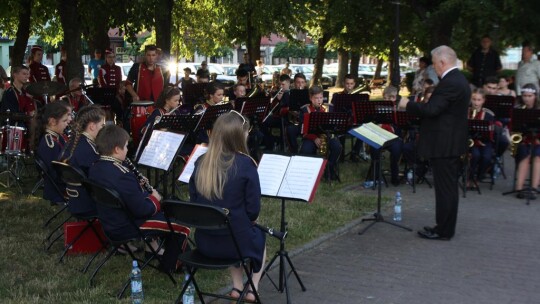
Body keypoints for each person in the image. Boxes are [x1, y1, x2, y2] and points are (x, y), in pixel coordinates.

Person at [89, 125, 190, 272]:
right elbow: (143, 210)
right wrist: (154, 198)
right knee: (181, 226)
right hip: (129, 225)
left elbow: (126, 195)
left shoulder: (96, 167)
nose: (127, 149)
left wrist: (138, 188)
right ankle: (172, 266)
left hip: (110, 222)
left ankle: (167, 252)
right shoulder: (123, 174)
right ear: (116, 150)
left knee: (169, 216)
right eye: (125, 146)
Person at [189, 111, 266, 302]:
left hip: (205, 243)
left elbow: (194, 201)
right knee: (256, 232)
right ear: (238, 136)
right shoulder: (247, 164)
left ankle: (237, 287)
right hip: (235, 246)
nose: (248, 135)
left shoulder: (201, 162)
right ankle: (252, 288)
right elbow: (253, 211)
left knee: (232, 225)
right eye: (246, 132)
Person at [399, 45, 470, 240]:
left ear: (442, 62)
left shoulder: (451, 82)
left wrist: (408, 105)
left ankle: (444, 230)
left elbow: (432, 110)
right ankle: (443, 227)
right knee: (447, 188)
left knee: (445, 189)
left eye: (434, 63)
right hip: (449, 143)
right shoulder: (457, 80)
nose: (433, 67)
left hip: (445, 144)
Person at [59, 105, 106, 216]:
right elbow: (101, 178)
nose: (104, 129)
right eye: (102, 125)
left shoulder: (75, 141)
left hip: (76, 200)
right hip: (88, 203)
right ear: (92, 126)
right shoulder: (88, 150)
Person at [299, 86, 342, 180]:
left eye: (321, 98)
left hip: (327, 135)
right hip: (311, 137)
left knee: (337, 147)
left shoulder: (328, 108)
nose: (319, 100)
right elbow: (303, 130)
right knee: (306, 150)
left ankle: (329, 168)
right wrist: (314, 138)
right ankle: (310, 172)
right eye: (316, 98)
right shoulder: (305, 110)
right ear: (310, 98)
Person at [33, 102, 71, 205]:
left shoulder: (56, 136)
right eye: (64, 120)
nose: (68, 122)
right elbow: (55, 173)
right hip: (58, 192)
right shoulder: (49, 143)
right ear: (52, 121)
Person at [370, 85, 403, 186]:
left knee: (397, 149)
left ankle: (394, 175)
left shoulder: (399, 109)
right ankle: (376, 175)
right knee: (375, 147)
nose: (387, 100)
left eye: (390, 98)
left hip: (394, 138)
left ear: (395, 98)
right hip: (380, 136)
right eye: (385, 98)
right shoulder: (378, 108)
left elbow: (400, 128)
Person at [513, 83, 540, 199]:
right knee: (525, 155)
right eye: (524, 96)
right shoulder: (518, 110)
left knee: (537, 156)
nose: (527, 98)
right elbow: (513, 127)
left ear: (535, 96)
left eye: (530, 96)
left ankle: (533, 188)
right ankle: (519, 188)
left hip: (538, 140)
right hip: (524, 140)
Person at [467, 88, 495, 185]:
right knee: (475, 155)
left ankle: (478, 178)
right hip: (470, 141)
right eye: (474, 99)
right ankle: (469, 178)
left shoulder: (488, 115)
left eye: (479, 100)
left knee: (487, 157)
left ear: (483, 101)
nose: (476, 102)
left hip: (484, 141)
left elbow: (491, 133)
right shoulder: (466, 112)